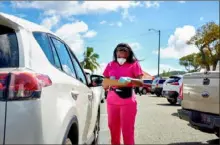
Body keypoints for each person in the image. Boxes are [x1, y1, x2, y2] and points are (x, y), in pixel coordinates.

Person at [102, 43, 143, 145]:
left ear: (129, 54)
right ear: (115, 53)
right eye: (119, 54)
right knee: (113, 131)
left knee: (127, 131)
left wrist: (129, 80)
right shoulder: (110, 65)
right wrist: (107, 83)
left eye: (124, 54)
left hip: (128, 102)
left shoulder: (134, 64)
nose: (121, 57)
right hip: (112, 101)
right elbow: (105, 82)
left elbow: (141, 82)